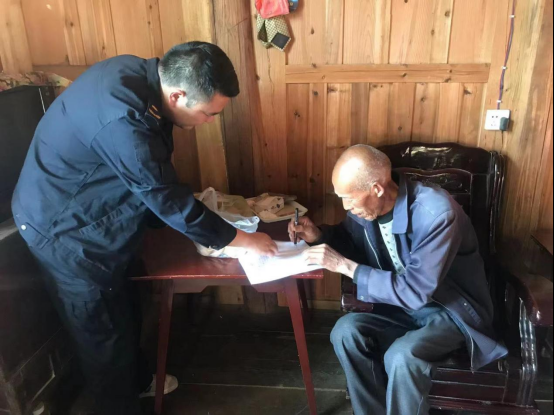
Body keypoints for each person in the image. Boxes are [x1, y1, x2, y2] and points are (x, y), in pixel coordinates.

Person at [12, 42, 278, 415]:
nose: (209, 122)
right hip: (63, 230)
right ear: (178, 95)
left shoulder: (144, 77)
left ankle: (136, 383)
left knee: (127, 310)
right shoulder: (125, 117)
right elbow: (165, 196)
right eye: (208, 113)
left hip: (90, 206)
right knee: (103, 338)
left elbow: (153, 174)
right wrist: (245, 240)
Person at [288, 145, 507, 415]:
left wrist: (344, 266)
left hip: (451, 312)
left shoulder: (437, 214)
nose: (346, 207)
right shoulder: (367, 210)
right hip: (402, 309)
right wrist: (317, 236)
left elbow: (415, 291)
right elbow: (350, 242)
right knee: (345, 332)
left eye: (349, 198)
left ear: (377, 189)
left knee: (402, 356)